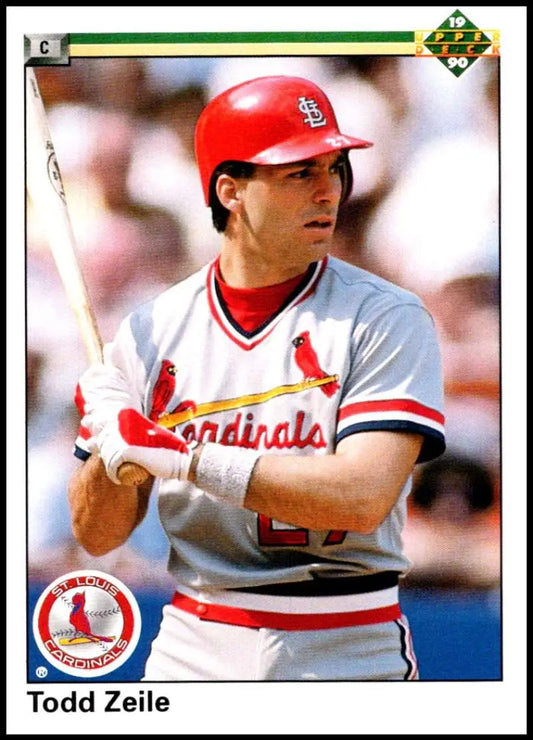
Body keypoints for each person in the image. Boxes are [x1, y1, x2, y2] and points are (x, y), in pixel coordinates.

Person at [68, 75, 446, 681]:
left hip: (345, 640)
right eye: (300, 172)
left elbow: (362, 497)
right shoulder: (150, 330)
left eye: (335, 168)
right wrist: (111, 451)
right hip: (194, 640)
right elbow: (97, 533)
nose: (330, 192)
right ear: (231, 190)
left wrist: (185, 459)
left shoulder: (385, 315)